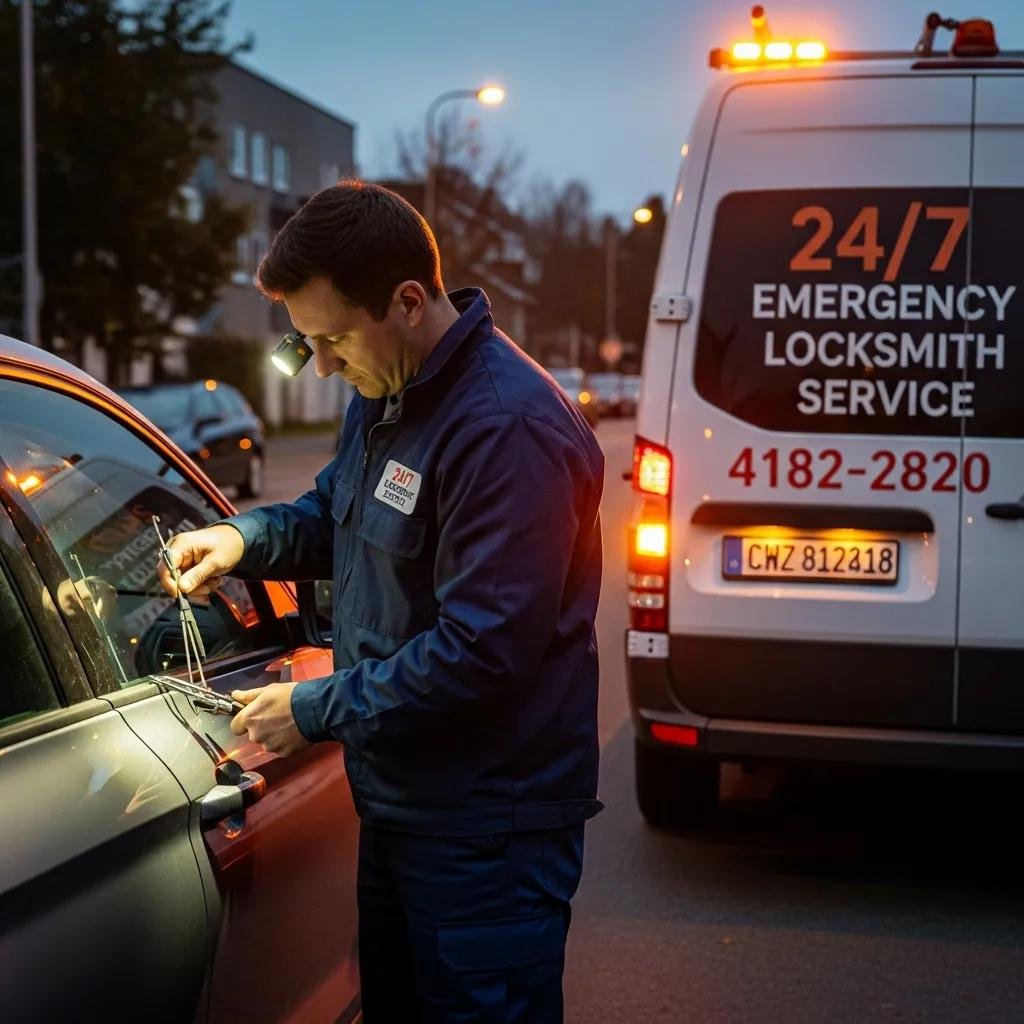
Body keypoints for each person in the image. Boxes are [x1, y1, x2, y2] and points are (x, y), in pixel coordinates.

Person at [159, 181, 604, 1022]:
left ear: (407, 301)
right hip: (407, 805)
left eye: (330, 339)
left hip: (487, 832)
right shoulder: (388, 392)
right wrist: (243, 540)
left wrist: (316, 707)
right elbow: (334, 512)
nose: (323, 367)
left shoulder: (505, 430)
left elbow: (483, 653)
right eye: (307, 344)